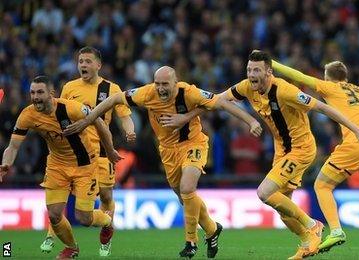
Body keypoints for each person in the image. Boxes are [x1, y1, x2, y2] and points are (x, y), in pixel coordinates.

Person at [63, 66, 262, 258]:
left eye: (165, 84)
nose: (160, 88)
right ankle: (211, 229)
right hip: (167, 151)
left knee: (187, 187)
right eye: (157, 83)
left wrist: (251, 121)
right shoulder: (147, 93)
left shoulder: (189, 92)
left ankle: (190, 242)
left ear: (176, 82)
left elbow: (221, 102)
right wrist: (87, 120)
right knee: (184, 196)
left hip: (193, 143)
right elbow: (115, 99)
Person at [221, 50, 359, 259]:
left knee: (264, 192)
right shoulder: (247, 87)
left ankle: (312, 225)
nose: (251, 74)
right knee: (283, 209)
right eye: (248, 69)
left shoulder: (285, 91)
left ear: (269, 72)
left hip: (301, 149)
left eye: (256, 70)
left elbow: (324, 109)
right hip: (282, 150)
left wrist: (356, 129)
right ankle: (308, 242)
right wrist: (250, 120)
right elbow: (219, 101)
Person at [270, 59, 359, 257]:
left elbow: (300, 77)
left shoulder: (330, 87)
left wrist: (272, 64)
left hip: (358, 141)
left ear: (327, 77)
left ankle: (336, 230)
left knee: (322, 186)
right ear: (345, 76)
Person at [0, 76, 122, 259]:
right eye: (32, 92)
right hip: (57, 165)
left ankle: (107, 221)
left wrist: (110, 151)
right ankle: (72, 248)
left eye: (40, 92)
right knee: (54, 215)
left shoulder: (71, 108)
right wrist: (6, 164)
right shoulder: (27, 115)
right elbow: (13, 146)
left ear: (51, 93)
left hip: (84, 165)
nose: (35, 97)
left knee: (84, 218)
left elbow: (100, 124)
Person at [40, 46, 136, 257]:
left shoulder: (111, 89)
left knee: (106, 194)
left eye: (87, 61)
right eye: (80, 61)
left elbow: (124, 114)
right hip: (75, 151)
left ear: (98, 65)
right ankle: (51, 234)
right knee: (61, 194)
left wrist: (130, 131)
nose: (83, 64)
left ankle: (106, 230)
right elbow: (58, 113)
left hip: (102, 150)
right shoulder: (69, 87)